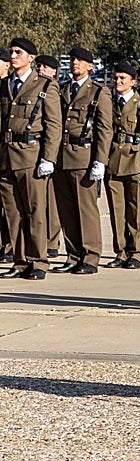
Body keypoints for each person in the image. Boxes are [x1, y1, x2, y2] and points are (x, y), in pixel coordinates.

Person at [0, 37, 62, 280]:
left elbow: (53, 126)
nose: (13, 56)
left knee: (35, 212)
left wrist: (49, 158)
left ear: (31, 58)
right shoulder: (5, 84)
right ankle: (20, 259)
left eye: (18, 52)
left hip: (31, 156)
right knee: (12, 212)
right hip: (6, 156)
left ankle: (38, 260)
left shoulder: (44, 86)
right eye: (12, 52)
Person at [52, 47, 113, 275]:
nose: (75, 63)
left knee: (85, 210)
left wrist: (100, 160)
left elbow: (104, 130)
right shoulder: (62, 89)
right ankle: (73, 254)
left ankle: (91, 256)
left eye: (80, 60)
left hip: (83, 156)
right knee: (66, 210)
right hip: (61, 157)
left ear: (90, 66)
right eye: (73, 60)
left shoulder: (98, 92)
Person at [103, 61, 140, 269]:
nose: (118, 82)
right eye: (116, 78)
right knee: (117, 210)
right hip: (113, 162)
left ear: (133, 82)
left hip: (136, 162)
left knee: (135, 210)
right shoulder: (109, 102)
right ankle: (120, 251)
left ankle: (136, 252)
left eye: (122, 79)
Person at [35, 54, 62, 256]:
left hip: (56, 152)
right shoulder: (36, 88)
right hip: (38, 150)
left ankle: (52, 242)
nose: (41, 69)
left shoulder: (53, 89)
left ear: (54, 71)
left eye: (45, 66)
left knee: (52, 202)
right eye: (39, 66)